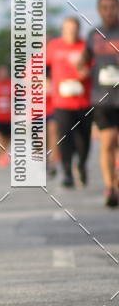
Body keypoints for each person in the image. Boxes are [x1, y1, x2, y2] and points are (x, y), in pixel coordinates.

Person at [80, 0, 119, 207]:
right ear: (99, 10)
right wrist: (80, 68)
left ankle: (117, 181)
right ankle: (109, 186)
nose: (109, 11)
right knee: (108, 141)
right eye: (105, 7)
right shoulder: (94, 34)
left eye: (113, 7)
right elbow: (84, 60)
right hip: (101, 97)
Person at [47, 17, 92, 188]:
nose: (71, 33)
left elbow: (93, 66)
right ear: (63, 30)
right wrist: (46, 79)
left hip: (84, 100)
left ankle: (81, 164)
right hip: (62, 102)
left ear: (79, 30)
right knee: (64, 137)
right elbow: (44, 66)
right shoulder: (54, 46)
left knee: (83, 139)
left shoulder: (86, 46)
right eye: (68, 29)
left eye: (74, 29)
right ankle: (67, 172)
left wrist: (86, 72)